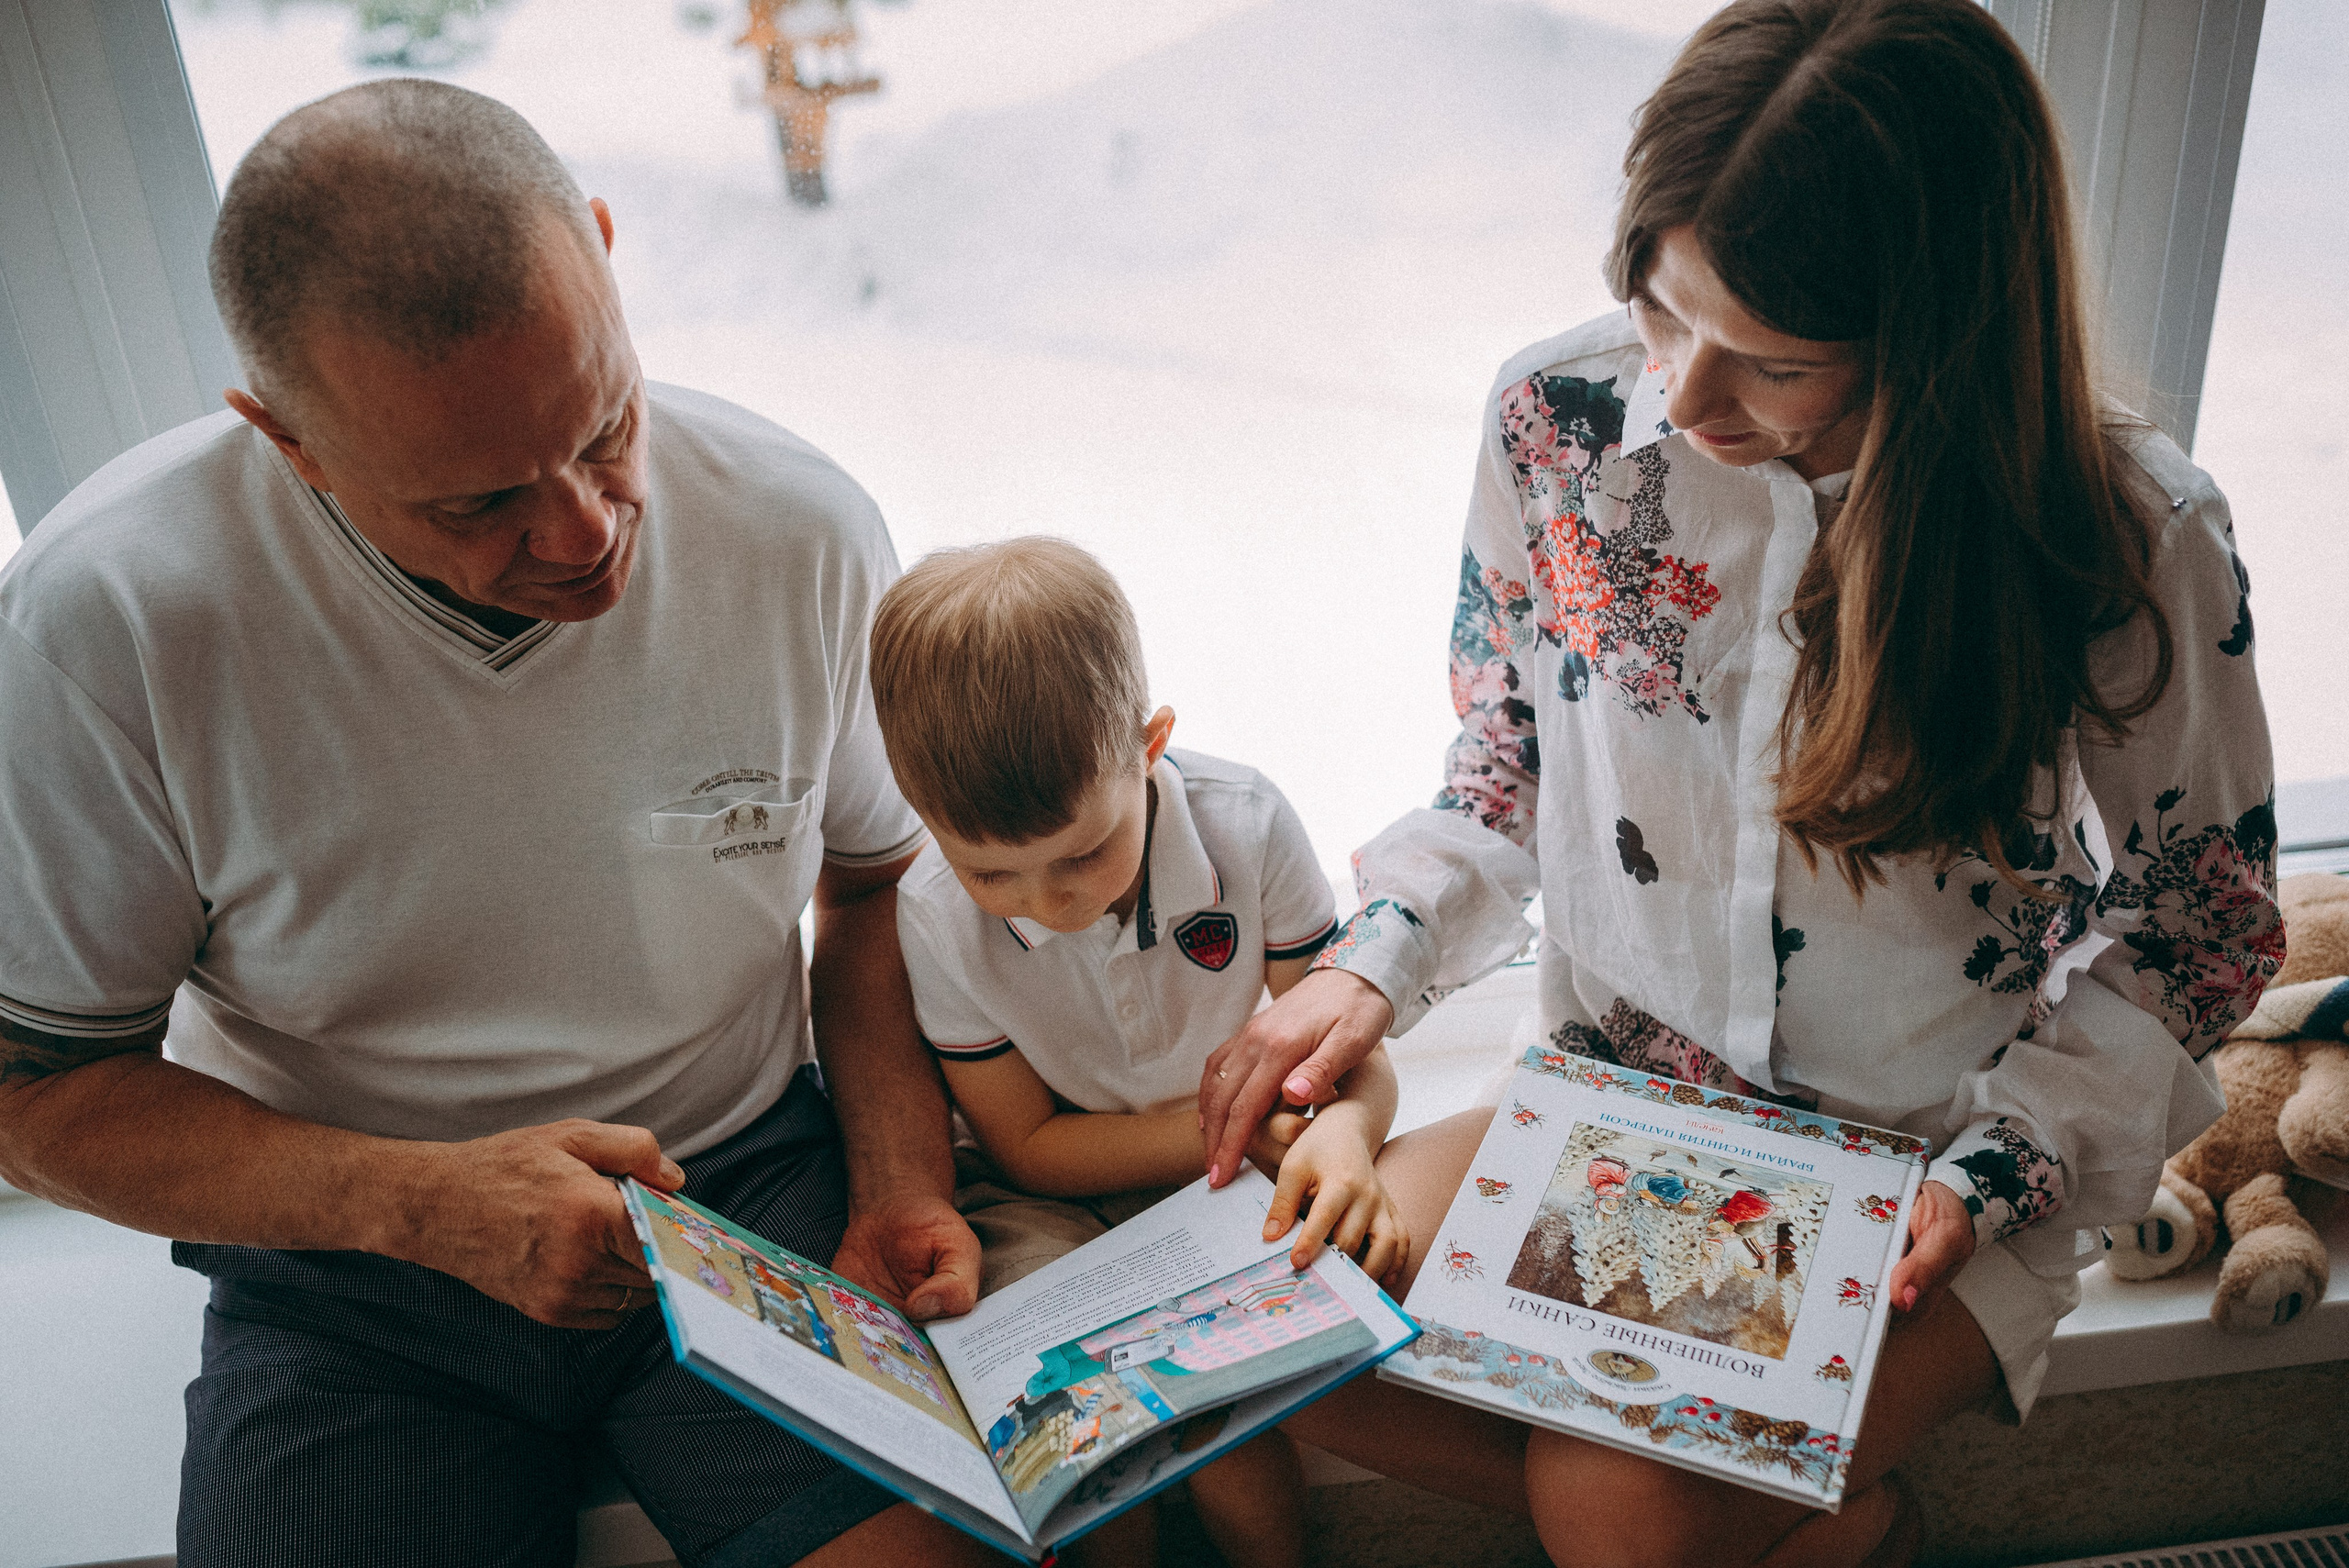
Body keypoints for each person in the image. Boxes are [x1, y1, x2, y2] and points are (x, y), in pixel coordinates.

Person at [1201, 2, 2283, 1562]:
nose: (1688, 398)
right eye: (1660, 308)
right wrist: (1371, 964)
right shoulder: (1558, 426)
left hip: (1919, 1160)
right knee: (1261, 1324)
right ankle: (1818, 1530)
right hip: (1624, 1106)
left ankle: (1740, 1514)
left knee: (1615, 1505)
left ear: (1936, 343)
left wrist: (2003, 1165)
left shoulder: (2127, 535)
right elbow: (1507, 758)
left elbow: (2203, 930)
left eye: (1774, 363)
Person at [0, 82, 994, 1568]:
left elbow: (868, 888)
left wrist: (904, 1176)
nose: (588, 530)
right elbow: (36, 1093)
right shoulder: (107, 622)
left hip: (744, 1187)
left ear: (602, 250)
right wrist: (421, 1203)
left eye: (606, 425)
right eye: (479, 504)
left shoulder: (800, 526)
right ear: (290, 441)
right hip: (349, 1265)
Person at [868, 537, 1407, 1568]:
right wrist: (1240, 1132)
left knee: (1229, 1430)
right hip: (1050, 1195)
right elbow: (1026, 1146)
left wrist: (1343, 1131)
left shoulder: (1247, 821)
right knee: (1091, 1438)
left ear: (1150, 742)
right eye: (993, 873)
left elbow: (1348, 1044)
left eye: (1081, 853)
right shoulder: (932, 908)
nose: (1047, 900)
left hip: (1230, 1167)